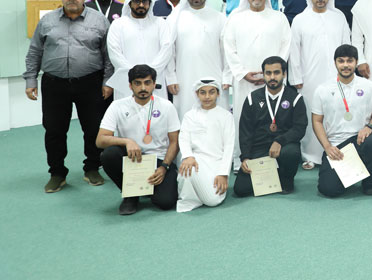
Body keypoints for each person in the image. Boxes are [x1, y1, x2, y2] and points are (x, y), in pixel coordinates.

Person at [24, 0, 113, 192]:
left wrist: (107, 82)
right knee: (54, 130)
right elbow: (35, 51)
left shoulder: (99, 21)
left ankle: (92, 168)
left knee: (93, 128)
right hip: (54, 84)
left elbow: (109, 55)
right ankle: (57, 173)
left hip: (90, 82)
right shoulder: (47, 21)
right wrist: (30, 80)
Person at [222, 0, 291, 169]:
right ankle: (241, 160)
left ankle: (273, 161)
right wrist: (243, 73)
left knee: (274, 118)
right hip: (245, 81)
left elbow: (286, 45)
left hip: (273, 82)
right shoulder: (235, 19)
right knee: (243, 120)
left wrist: (273, 74)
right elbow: (229, 48)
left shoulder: (279, 18)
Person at [97, 64, 180, 215]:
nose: (143, 88)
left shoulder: (167, 106)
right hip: (132, 158)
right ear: (130, 86)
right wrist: (127, 141)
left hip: (158, 160)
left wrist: (164, 167)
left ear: (154, 84)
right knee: (109, 154)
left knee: (165, 202)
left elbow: (175, 142)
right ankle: (130, 195)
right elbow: (100, 140)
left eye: (147, 83)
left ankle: (146, 187)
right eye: (137, 83)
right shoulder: (117, 106)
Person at [289, 0, 351, 169]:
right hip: (309, 78)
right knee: (312, 115)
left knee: (337, 114)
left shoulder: (339, 17)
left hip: (337, 76)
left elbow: (347, 46)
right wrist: (296, 78)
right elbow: (294, 51)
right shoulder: (300, 19)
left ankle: (339, 153)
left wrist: (348, 73)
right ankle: (311, 155)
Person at [311, 44, 372, 197]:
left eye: (350, 61)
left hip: (360, 140)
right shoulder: (322, 89)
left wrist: (369, 127)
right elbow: (317, 121)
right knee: (329, 189)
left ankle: (369, 179)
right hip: (336, 146)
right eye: (341, 61)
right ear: (335, 63)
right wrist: (327, 147)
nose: (345, 65)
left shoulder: (369, 86)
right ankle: (351, 173)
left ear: (356, 62)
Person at [235, 56, 308, 196]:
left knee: (291, 153)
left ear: (284, 74)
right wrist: (245, 157)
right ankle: (273, 175)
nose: (272, 77)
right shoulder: (252, 98)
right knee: (241, 190)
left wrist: (280, 141)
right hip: (260, 147)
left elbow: (299, 128)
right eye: (268, 73)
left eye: (276, 72)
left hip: (284, 146)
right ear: (263, 74)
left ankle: (286, 179)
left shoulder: (295, 98)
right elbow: (245, 131)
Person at [165, 0, 230, 120]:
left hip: (214, 74)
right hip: (184, 77)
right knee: (186, 113)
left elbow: (226, 50)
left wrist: (227, 76)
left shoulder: (219, 18)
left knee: (217, 116)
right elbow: (170, 51)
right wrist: (171, 77)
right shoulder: (174, 18)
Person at [176, 78, 234, 212]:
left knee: (213, 201)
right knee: (188, 167)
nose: (207, 97)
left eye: (211, 92)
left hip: (217, 163)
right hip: (195, 161)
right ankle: (192, 195)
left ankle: (197, 195)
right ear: (197, 94)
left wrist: (223, 173)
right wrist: (188, 156)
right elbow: (183, 138)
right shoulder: (190, 115)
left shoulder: (226, 116)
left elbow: (229, 147)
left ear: (218, 94)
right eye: (203, 92)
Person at [106, 0, 173, 100]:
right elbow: (114, 53)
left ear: (149, 3)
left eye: (145, 1)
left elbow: (166, 50)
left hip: (155, 79)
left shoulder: (160, 23)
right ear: (129, 3)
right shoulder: (118, 25)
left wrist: (151, 73)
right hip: (127, 79)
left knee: (156, 109)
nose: (141, 5)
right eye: (137, 1)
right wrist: (133, 74)